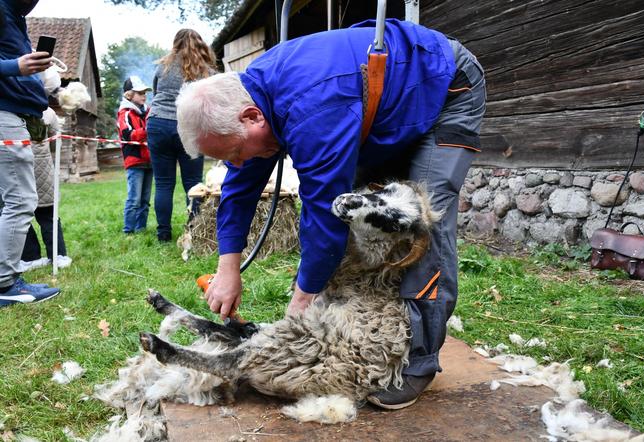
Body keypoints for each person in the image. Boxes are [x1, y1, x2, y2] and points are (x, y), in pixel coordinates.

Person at [176, 19, 486, 409]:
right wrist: (228, 267)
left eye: (236, 152)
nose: (238, 162)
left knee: (423, 223)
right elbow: (238, 189)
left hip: (444, 86)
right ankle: (358, 329)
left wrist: (302, 301)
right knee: (357, 216)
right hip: (382, 105)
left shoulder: (311, 110)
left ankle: (419, 364)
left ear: (252, 117)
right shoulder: (248, 102)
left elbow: (323, 212)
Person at [0, 0, 61, 307]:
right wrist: (17, 67)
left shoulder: (15, 18)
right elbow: (11, 66)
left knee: (13, 199)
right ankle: (5, 283)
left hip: (15, 116)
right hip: (4, 117)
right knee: (21, 199)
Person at [146, 29, 217, 242]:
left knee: (164, 183)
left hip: (158, 124)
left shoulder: (163, 66)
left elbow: (157, 93)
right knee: (193, 181)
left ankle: (163, 234)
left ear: (175, 44)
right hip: (188, 126)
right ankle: (195, 229)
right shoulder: (207, 72)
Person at [19, 106, 72, 272]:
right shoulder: (47, 111)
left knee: (23, 214)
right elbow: (56, 142)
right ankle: (55, 255)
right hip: (35, 167)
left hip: (28, 169)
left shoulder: (9, 110)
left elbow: (56, 140)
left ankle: (34, 257)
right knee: (42, 215)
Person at [118, 76, 152, 234]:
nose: (144, 95)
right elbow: (127, 134)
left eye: (145, 92)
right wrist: (147, 132)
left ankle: (141, 229)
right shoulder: (125, 113)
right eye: (140, 92)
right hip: (134, 161)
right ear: (129, 95)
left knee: (145, 200)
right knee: (134, 199)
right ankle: (128, 231)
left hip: (149, 160)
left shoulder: (148, 111)